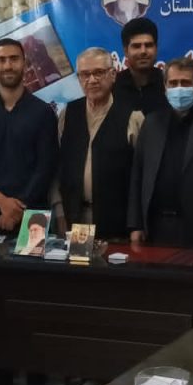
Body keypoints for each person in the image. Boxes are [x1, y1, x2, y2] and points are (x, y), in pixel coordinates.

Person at [128, 57, 193, 250]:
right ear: (165, 87)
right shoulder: (151, 123)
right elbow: (137, 176)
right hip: (155, 226)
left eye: (185, 83)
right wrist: (136, 225)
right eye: (173, 83)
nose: (179, 88)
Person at [0, 38, 58, 233]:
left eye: (14, 59)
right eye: (1, 60)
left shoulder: (43, 112)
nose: (8, 65)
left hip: (35, 215)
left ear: (24, 64)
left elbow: (46, 167)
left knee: (33, 255)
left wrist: (16, 210)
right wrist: (3, 203)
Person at [56, 47, 144, 240]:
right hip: (76, 220)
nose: (92, 80)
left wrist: (137, 224)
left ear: (113, 75)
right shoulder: (67, 114)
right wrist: (60, 212)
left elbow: (142, 177)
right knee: (78, 261)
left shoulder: (132, 117)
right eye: (85, 74)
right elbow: (60, 167)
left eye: (98, 72)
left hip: (118, 225)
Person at [113, 17, 167, 115]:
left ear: (156, 48)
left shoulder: (168, 83)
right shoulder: (113, 86)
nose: (143, 51)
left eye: (148, 45)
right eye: (136, 46)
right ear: (126, 51)